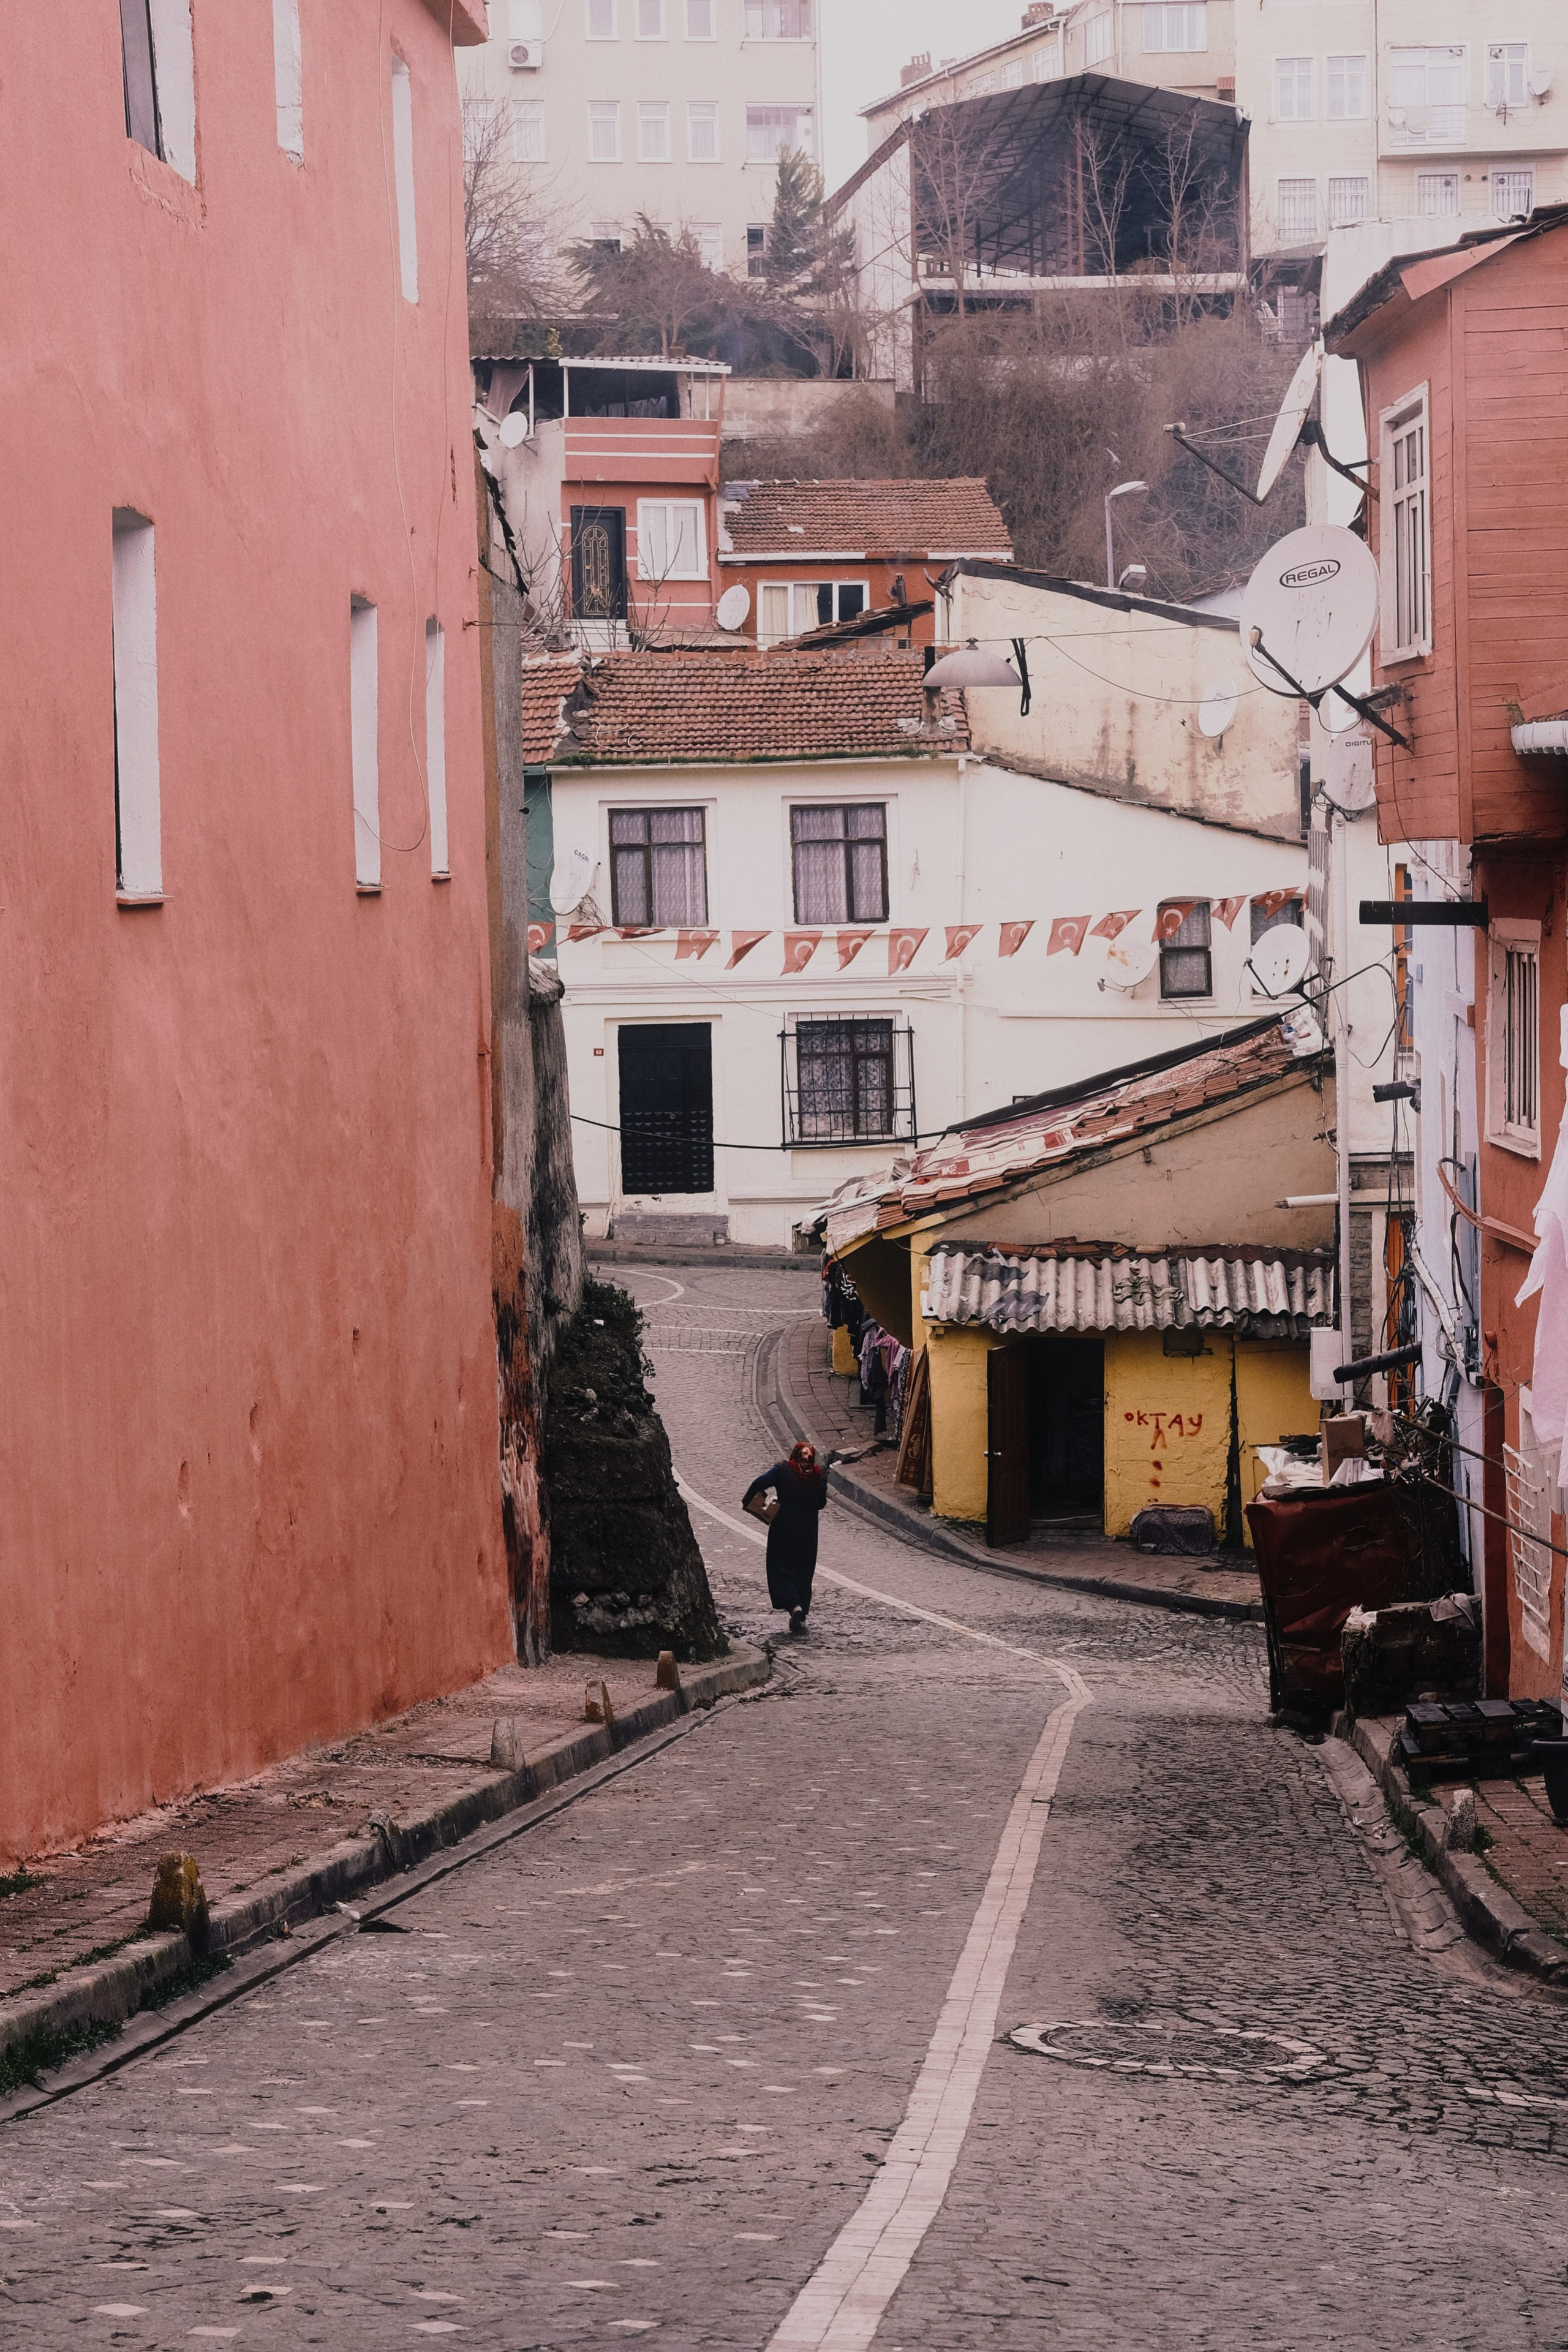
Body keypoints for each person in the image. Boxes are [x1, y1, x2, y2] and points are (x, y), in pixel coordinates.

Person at [742, 1440, 827, 1634]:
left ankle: (793, 1605)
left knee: (782, 1565)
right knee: (804, 1569)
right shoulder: (818, 1476)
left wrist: (750, 1501)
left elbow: (759, 1483)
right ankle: (801, 1613)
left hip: (784, 1527)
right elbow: (821, 1503)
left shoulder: (783, 1470)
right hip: (808, 1530)